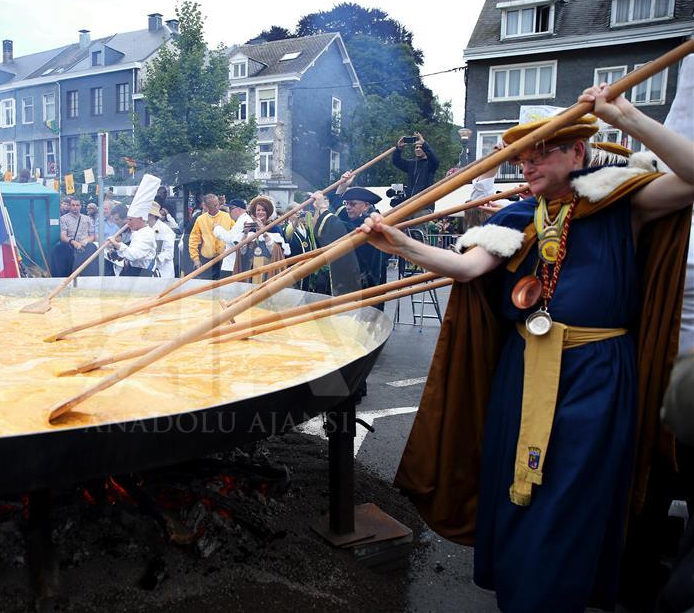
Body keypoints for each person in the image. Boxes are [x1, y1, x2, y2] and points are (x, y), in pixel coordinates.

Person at [362, 83, 694, 612]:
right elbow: (467, 268)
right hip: (523, 367)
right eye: (523, 154)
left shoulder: (621, 201)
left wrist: (625, 114)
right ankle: (522, 595)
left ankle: (554, 597)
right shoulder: (517, 218)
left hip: (598, 372)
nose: (529, 162)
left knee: (574, 489)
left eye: (544, 150)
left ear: (578, 152)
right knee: (517, 482)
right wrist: (398, 242)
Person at [235, 196, 289, 284]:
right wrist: (245, 233)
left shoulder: (274, 229)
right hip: (250, 272)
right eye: (258, 210)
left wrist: (263, 231)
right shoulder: (250, 229)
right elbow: (242, 252)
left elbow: (275, 251)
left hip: (268, 272)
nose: (260, 212)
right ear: (255, 212)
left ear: (267, 212)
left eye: (263, 210)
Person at [187, 193, 234, 280]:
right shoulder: (200, 219)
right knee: (206, 287)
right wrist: (196, 259)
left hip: (224, 259)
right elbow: (193, 240)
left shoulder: (227, 216)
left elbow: (234, 236)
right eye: (214, 205)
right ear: (206, 207)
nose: (217, 206)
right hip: (207, 260)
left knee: (224, 285)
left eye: (217, 204)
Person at [392, 131, 440, 214]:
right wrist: (398, 149)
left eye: (420, 147)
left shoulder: (431, 164)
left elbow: (435, 160)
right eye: (416, 147)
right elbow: (396, 161)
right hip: (410, 205)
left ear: (425, 149)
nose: (418, 149)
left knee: (419, 227)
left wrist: (424, 143)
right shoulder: (411, 164)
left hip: (424, 207)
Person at [51, 197, 97, 278]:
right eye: (73, 205)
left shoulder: (88, 219)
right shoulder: (64, 219)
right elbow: (63, 236)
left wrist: (85, 241)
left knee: (93, 247)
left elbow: (92, 236)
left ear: (80, 206)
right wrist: (73, 242)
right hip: (70, 246)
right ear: (70, 206)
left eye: (77, 205)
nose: (75, 207)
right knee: (59, 248)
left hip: (85, 246)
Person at [106, 212, 156, 277]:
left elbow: (133, 255)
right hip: (134, 272)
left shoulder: (146, 234)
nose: (128, 223)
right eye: (128, 220)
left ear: (140, 219)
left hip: (142, 274)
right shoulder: (138, 232)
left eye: (130, 219)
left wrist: (117, 244)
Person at [213, 198, 252, 279]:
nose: (229, 212)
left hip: (233, 265)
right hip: (232, 263)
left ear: (238, 209)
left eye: (231, 209)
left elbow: (232, 239)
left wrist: (217, 228)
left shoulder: (244, 220)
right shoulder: (242, 220)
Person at [283, 203, 313, 291]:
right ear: (288, 213)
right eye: (296, 211)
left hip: (307, 267)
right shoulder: (285, 228)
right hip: (293, 268)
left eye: (300, 211)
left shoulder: (304, 227)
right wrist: (296, 220)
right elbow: (289, 232)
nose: (299, 213)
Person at [147, 202, 176, 279]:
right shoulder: (144, 229)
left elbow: (169, 253)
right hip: (147, 271)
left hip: (163, 271)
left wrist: (155, 258)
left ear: (152, 215)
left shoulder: (165, 230)